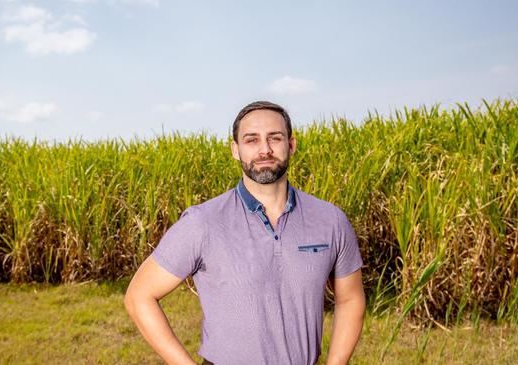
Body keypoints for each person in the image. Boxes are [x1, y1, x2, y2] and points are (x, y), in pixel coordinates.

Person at [124, 101, 365, 365]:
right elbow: (139, 296)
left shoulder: (330, 220)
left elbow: (350, 298)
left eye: (275, 138)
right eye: (252, 140)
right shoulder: (203, 222)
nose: (265, 149)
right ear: (235, 150)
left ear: (291, 145)